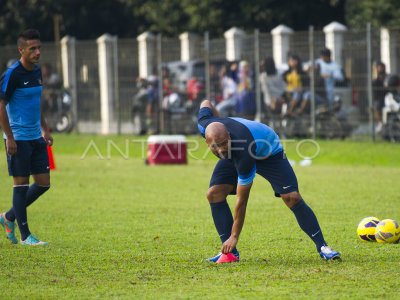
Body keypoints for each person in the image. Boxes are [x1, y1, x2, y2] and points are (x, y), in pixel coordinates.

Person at [197, 99, 340, 263]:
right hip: (237, 149)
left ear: (229, 136)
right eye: (216, 146)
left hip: (268, 151)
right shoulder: (204, 124)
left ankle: (323, 247)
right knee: (214, 194)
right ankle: (229, 254)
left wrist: (234, 236)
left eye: (224, 143)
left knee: (291, 197)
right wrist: (219, 120)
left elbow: (242, 200)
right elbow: (206, 102)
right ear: (206, 141)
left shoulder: (243, 152)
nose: (221, 149)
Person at [0, 29, 52, 246]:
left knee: (43, 183)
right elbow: (1, 105)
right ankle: (25, 235)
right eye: (32, 49)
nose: (37, 52)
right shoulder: (12, 74)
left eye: (39, 48)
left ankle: (8, 217)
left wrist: (45, 128)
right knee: (20, 185)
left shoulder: (37, 71)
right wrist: (9, 137)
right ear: (21, 50)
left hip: (35, 136)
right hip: (18, 137)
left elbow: (36, 102)